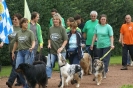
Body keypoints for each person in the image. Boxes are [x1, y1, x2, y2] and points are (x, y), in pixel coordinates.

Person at [12, 18, 35, 88]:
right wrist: (13, 52)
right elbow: (16, 43)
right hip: (20, 52)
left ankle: (30, 85)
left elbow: (33, 41)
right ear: (21, 24)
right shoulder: (18, 33)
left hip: (28, 51)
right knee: (17, 68)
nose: (26, 24)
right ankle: (25, 84)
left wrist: (32, 47)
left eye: (27, 22)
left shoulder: (30, 32)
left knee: (28, 70)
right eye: (25, 22)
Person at [46, 13, 68, 87]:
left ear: (59, 20)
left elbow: (65, 40)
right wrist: (49, 44)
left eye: (56, 19)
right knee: (49, 64)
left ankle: (62, 81)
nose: (55, 21)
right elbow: (49, 38)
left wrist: (61, 47)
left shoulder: (62, 29)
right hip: (52, 51)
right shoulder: (50, 29)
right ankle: (46, 79)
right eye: (54, 19)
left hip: (61, 52)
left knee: (61, 67)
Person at [6, 13, 22, 88]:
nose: (14, 20)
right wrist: (2, 42)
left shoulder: (21, 29)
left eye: (15, 19)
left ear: (19, 20)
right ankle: (21, 81)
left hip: (18, 50)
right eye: (13, 19)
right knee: (16, 66)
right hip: (11, 50)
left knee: (15, 66)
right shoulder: (10, 28)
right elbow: (6, 37)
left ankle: (10, 81)